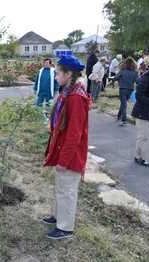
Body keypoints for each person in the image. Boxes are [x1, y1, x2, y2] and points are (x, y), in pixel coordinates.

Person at [43, 55, 91, 239]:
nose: (55, 77)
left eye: (57, 73)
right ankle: (58, 217)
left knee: (67, 191)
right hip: (63, 149)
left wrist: (64, 160)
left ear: (68, 74)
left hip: (70, 154)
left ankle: (65, 228)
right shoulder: (67, 92)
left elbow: (74, 135)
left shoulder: (76, 98)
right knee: (61, 187)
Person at [113, 57, 140, 126]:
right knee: (123, 103)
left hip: (122, 89)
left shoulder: (122, 71)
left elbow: (116, 78)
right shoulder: (135, 73)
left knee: (123, 104)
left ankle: (124, 120)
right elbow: (138, 82)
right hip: (130, 90)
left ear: (125, 64)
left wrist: (113, 80)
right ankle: (118, 116)